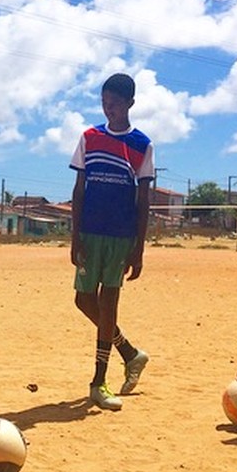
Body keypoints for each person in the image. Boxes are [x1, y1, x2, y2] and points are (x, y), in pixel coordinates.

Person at [69, 73, 153, 411]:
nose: (109, 108)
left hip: (121, 235)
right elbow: (79, 190)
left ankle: (98, 381)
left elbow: (143, 200)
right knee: (83, 300)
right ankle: (129, 353)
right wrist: (74, 237)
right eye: (104, 102)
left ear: (130, 103)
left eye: (115, 103)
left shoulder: (141, 145)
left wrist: (139, 247)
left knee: (109, 302)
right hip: (89, 232)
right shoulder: (90, 137)